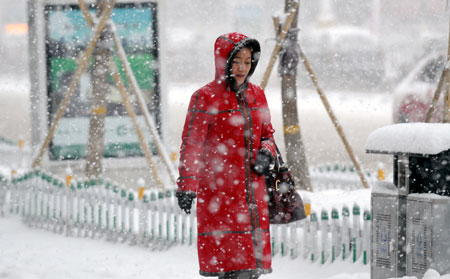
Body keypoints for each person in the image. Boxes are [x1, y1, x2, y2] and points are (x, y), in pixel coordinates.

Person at [176, 32, 277, 279]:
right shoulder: (205, 97)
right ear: (224, 62)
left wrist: (266, 152)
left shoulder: (257, 94)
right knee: (232, 270)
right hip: (220, 196)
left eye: (247, 61)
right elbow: (192, 144)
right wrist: (187, 186)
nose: (242, 67)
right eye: (236, 61)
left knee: (250, 269)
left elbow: (268, 135)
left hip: (252, 195)